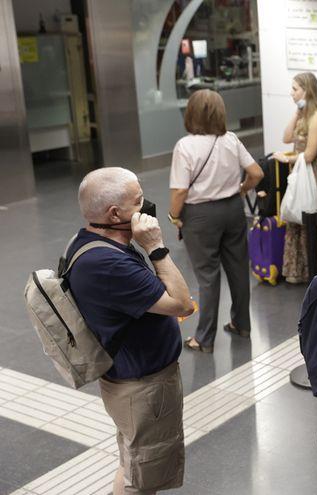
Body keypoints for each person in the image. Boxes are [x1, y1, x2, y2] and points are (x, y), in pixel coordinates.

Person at [69, 167, 194, 494]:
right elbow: (182, 303)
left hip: (129, 380)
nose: (146, 207)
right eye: (138, 202)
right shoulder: (109, 264)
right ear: (115, 214)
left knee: (132, 464)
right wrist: (156, 247)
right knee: (144, 479)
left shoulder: (88, 242)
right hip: (144, 389)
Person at [168, 89, 263, 352]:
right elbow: (256, 173)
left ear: (191, 114)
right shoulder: (231, 139)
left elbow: (179, 191)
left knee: (208, 276)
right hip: (233, 209)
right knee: (238, 268)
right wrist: (241, 189)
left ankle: (204, 339)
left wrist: (174, 217)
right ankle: (242, 324)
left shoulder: (185, 146)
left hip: (200, 216)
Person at [275, 72, 317, 283]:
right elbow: (286, 137)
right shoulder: (303, 115)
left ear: (307, 90)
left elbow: (311, 154)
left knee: (316, 221)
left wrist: (286, 159)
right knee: (298, 219)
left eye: (295, 89)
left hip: (315, 176)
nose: (292, 93)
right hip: (300, 174)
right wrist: (297, 113)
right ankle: (303, 270)